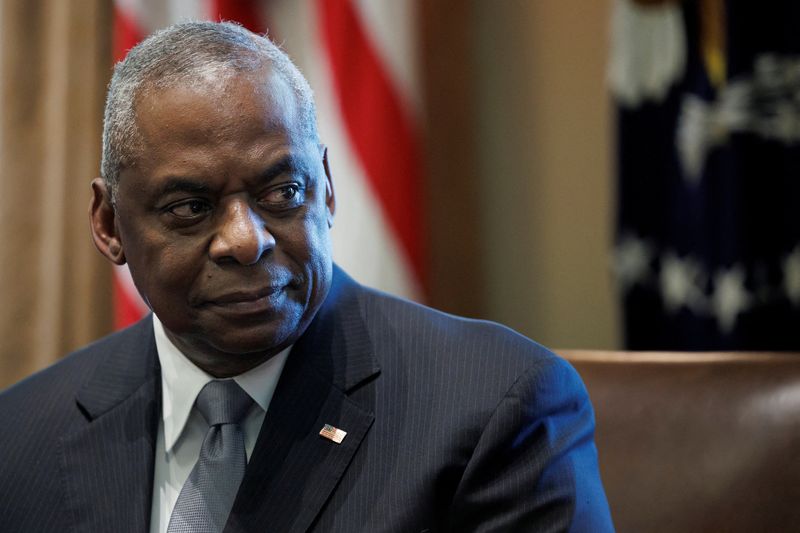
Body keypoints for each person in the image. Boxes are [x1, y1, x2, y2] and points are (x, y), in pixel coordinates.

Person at [0, 21, 613, 532]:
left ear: (326, 189)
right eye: (190, 207)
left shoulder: (494, 410)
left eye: (282, 191)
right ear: (109, 225)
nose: (246, 240)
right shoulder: (20, 439)